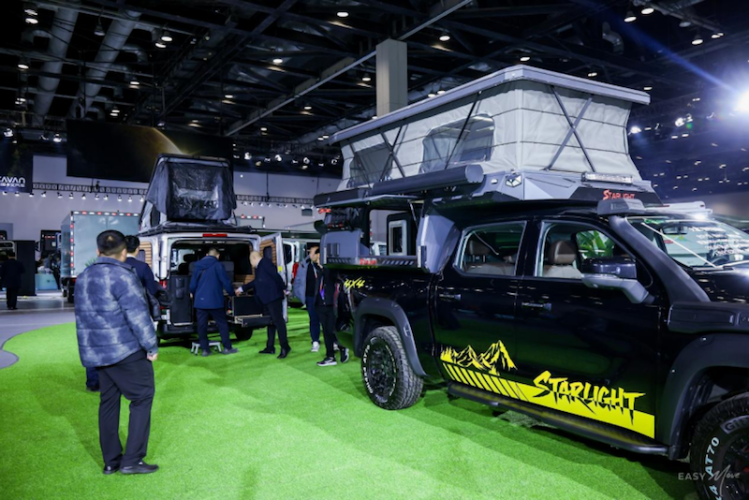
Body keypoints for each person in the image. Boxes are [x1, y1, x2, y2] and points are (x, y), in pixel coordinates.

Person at [74, 230, 159, 475]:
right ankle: (132, 460)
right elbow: (138, 316)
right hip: (125, 349)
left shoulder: (84, 276)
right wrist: (151, 346)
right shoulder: (123, 276)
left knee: (108, 402)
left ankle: (111, 461)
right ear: (124, 252)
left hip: (97, 351)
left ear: (98, 251)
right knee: (142, 397)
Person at [237, 251, 290, 358]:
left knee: (278, 322)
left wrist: (284, 288)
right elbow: (257, 282)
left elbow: (276, 276)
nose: (251, 264)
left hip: (273, 298)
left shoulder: (265, 263)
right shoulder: (260, 267)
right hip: (267, 299)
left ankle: (285, 347)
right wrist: (242, 288)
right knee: (270, 322)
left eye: (250, 261)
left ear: (253, 258)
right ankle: (270, 347)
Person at [189, 248, 237, 356]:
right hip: (215, 301)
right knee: (222, 324)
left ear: (207, 255)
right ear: (218, 256)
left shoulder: (198, 266)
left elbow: (192, 284)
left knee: (202, 326)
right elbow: (226, 282)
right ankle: (227, 348)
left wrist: (192, 292)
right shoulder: (218, 265)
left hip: (200, 301)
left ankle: (205, 350)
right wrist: (232, 293)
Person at [313, 256, 349, 367]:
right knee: (326, 331)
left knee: (332, 330)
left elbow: (332, 278)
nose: (318, 260)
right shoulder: (318, 271)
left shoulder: (331, 270)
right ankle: (330, 356)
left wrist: (325, 267)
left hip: (331, 305)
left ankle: (342, 347)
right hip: (320, 304)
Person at [292, 246, 321, 352]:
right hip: (310, 297)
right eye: (310, 252)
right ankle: (315, 341)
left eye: (312, 253)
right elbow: (298, 281)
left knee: (327, 320)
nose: (310, 255)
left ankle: (334, 341)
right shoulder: (304, 265)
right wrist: (299, 295)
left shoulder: (324, 265)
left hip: (322, 297)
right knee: (313, 320)